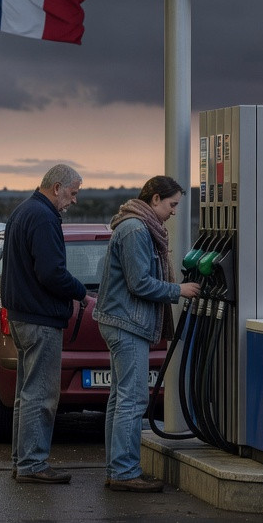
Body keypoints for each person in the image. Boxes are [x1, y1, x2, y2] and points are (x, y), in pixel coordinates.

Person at [94, 176, 201, 493]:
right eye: (172, 205)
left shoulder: (135, 226)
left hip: (122, 320)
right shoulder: (137, 230)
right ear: (155, 199)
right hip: (127, 322)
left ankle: (118, 468)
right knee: (133, 398)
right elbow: (139, 282)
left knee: (120, 399)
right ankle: (125, 472)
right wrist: (178, 290)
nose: (173, 212)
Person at [1, 164, 90, 484]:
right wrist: (81, 292)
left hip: (23, 316)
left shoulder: (23, 212)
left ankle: (22, 460)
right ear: (56, 187)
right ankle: (33, 464)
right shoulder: (43, 217)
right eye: (73, 193)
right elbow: (51, 273)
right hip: (40, 319)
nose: (74, 201)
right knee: (41, 394)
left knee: (27, 393)